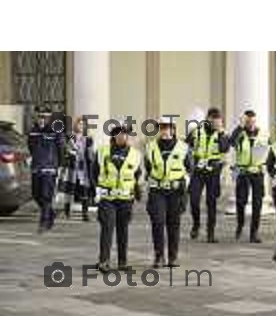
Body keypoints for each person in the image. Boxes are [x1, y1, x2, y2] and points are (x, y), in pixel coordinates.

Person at [93, 121, 142, 272]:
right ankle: (104, 261)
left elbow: (137, 175)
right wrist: (97, 191)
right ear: (113, 135)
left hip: (126, 199)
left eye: (125, 133)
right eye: (119, 132)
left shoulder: (135, 154)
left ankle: (122, 261)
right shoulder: (102, 152)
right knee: (107, 227)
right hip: (107, 198)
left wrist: (137, 190)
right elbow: (94, 172)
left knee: (123, 229)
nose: (122, 135)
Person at [145, 116, 188, 268]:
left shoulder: (183, 147)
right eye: (161, 127)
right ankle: (159, 256)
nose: (164, 130)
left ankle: (172, 257)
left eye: (167, 127)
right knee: (157, 222)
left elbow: (189, 168)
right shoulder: (151, 147)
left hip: (176, 192)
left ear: (173, 129)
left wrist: (184, 191)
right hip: (157, 191)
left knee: (173, 224)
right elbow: (148, 167)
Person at [186, 107, 229, 242]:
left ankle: (211, 233)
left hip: (213, 172)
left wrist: (220, 132)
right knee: (194, 200)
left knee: (211, 203)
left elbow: (224, 148)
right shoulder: (197, 132)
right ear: (208, 119)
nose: (216, 123)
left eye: (218, 120)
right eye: (214, 120)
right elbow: (186, 146)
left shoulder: (222, 134)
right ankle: (196, 224)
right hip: (198, 171)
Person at [230, 109, 270, 243]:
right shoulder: (239, 134)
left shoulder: (264, 134)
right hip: (243, 172)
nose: (251, 124)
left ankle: (254, 232)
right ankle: (240, 224)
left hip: (258, 173)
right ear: (244, 121)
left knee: (257, 204)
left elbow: (270, 151)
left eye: (253, 121)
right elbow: (231, 142)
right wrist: (240, 126)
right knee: (241, 201)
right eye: (248, 121)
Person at [27, 105, 65, 232]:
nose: (41, 119)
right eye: (39, 116)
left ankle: (44, 223)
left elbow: (61, 149)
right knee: (35, 194)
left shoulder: (55, 130)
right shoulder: (33, 130)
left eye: (43, 117)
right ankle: (51, 213)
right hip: (36, 167)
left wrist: (59, 166)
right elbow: (31, 147)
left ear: (49, 118)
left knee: (46, 196)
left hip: (49, 168)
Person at [61, 116, 95, 221]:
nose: (81, 126)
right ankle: (67, 212)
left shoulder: (88, 139)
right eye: (79, 124)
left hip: (83, 168)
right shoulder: (70, 137)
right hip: (71, 167)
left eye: (83, 124)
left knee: (84, 191)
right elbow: (66, 150)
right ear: (76, 125)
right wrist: (70, 152)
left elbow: (91, 154)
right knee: (69, 191)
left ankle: (85, 214)